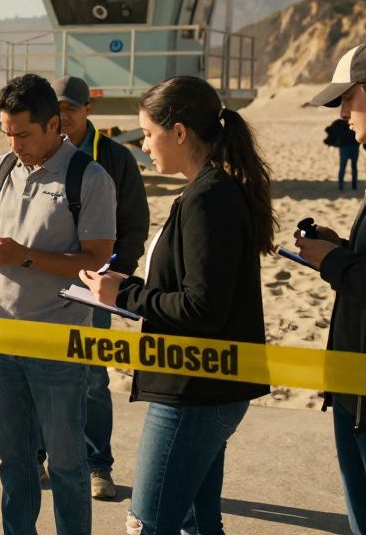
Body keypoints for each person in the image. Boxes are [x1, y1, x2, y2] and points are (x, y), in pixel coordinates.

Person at [82, 75, 272, 535]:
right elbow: (194, 289)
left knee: (147, 524)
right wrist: (128, 287)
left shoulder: (210, 197)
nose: (143, 145)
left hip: (196, 391)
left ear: (180, 132)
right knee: (197, 524)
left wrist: (122, 294)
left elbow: (203, 307)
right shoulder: (207, 190)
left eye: (148, 133)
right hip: (202, 384)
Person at [0, 74, 117, 535]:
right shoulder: (3, 167)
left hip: (59, 343)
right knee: (13, 460)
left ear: (55, 124)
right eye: (7, 133)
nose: (14, 143)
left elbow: (96, 259)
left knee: (69, 464)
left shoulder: (89, 177)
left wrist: (25, 257)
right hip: (1, 335)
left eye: (23, 134)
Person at [36, 76, 149, 500]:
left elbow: (134, 223)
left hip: (95, 288)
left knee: (92, 378)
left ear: (87, 111)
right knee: (43, 373)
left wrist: (113, 276)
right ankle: (42, 457)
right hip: (44, 283)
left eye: (71, 108)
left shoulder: (115, 158)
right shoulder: (36, 153)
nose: (64, 116)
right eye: (57, 109)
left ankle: (98, 466)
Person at [294, 38, 366, 535]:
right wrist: (339, 250)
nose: (343, 112)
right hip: (355, 388)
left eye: (350, 98)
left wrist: (337, 264)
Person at [326, 118, 361, 190]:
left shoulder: (340, 123)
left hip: (346, 148)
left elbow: (329, 130)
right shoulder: (354, 122)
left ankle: (341, 185)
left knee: (343, 167)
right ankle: (353, 185)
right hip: (352, 147)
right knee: (352, 167)